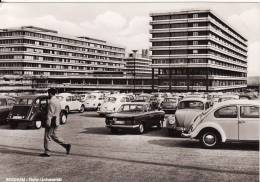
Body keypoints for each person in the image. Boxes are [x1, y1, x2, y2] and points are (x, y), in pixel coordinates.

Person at [40, 88, 71, 157]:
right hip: (56, 121)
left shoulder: (51, 101)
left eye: (48, 93)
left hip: (51, 121)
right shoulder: (57, 101)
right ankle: (66, 145)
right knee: (53, 136)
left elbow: (50, 113)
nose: (48, 95)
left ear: (50, 93)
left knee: (47, 136)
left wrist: (48, 123)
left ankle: (47, 152)